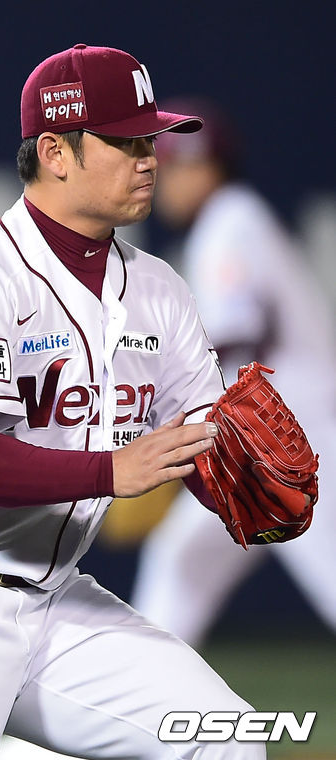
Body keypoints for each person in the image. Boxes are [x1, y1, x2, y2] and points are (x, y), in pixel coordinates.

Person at [0, 45, 268, 760]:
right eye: (127, 141)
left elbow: (202, 439)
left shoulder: (160, 289)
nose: (151, 158)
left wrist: (249, 488)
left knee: (226, 740)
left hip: (55, 604)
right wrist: (110, 471)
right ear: (55, 153)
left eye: (152, 140)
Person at [131, 97, 336, 647]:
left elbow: (233, 332)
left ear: (205, 168)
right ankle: (147, 684)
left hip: (301, 433)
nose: (160, 183)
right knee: (181, 560)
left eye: (171, 168)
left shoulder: (231, 220)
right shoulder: (225, 222)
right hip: (261, 437)